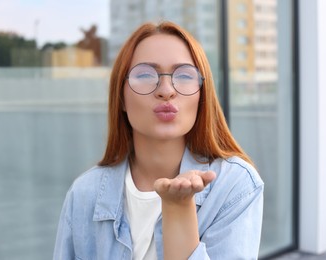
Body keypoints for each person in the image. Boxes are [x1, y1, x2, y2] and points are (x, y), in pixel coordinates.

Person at [53, 21, 264, 260]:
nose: (166, 90)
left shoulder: (235, 185)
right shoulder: (84, 193)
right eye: (145, 74)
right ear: (120, 98)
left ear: (202, 95)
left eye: (184, 75)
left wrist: (179, 208)